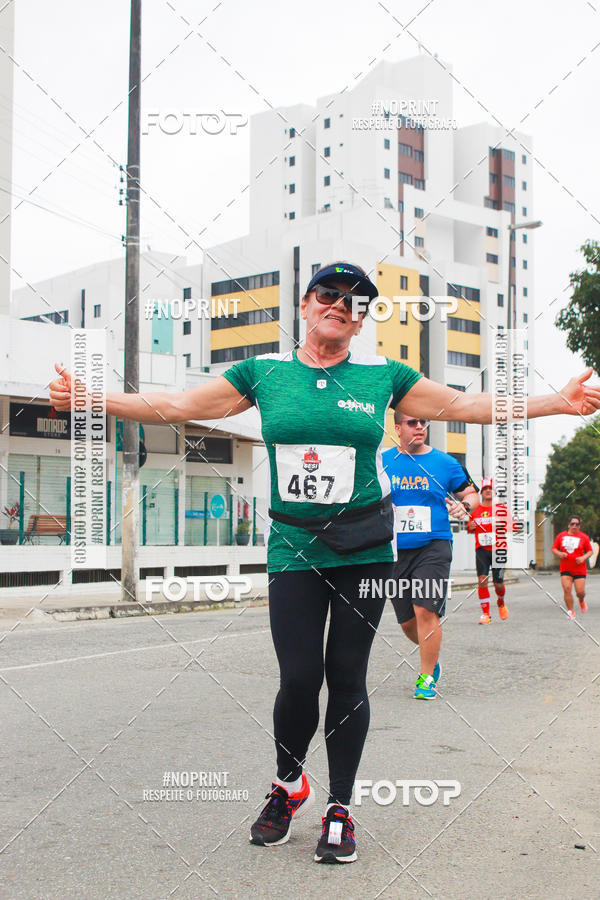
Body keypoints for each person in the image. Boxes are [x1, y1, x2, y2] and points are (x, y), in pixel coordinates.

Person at [49, 261, 600, 865]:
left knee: (347, 675)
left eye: (354, 300)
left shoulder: (382, 377)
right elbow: (177, 405)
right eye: (328, 294)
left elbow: (467, 404)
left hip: (363, 548)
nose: (340, 304)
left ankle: (340, 807)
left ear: (361, 319)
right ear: (306, 306)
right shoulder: (262, 374)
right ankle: (289, 785)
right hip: (293, 547)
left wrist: (558, 402)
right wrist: (90, 397)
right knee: (297, 678)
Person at [383, 412, 479, 699]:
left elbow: (470, 493)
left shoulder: (446, 463)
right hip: (395, 550)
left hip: (434, 545)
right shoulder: (383, 461)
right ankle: (432, 656)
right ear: (398, 427)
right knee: (407, 622)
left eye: (423, 423)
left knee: (425, 610)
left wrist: (466, 507)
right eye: (412, 423)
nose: (419, 427)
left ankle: (426, 678)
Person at [466, 478, 511, 624]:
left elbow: (511, 526)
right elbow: (469, 528)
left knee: (498, 583)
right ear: (482, 493)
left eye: (490, 489)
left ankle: (501, 602)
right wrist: (471, 526)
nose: (487, 491)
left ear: (493, 492)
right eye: (485, 489)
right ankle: (486, 614)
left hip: (499, 549)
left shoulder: (501, 509)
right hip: (481, 549)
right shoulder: (476, 510)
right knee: (482, 580)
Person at [552, 516, 593, 619]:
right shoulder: (561, 536)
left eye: (577, 524)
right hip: (566, 568)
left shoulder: (584, 537)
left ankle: (581, 600)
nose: (574, 526)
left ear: (579, 526)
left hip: (579, 568)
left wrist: (583, 558)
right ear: (568, 525)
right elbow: (554, 548)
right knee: (567, 589)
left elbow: (590, 551)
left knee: (580, 592)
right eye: (572, 524)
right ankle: (570, 611)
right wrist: (560, 554)